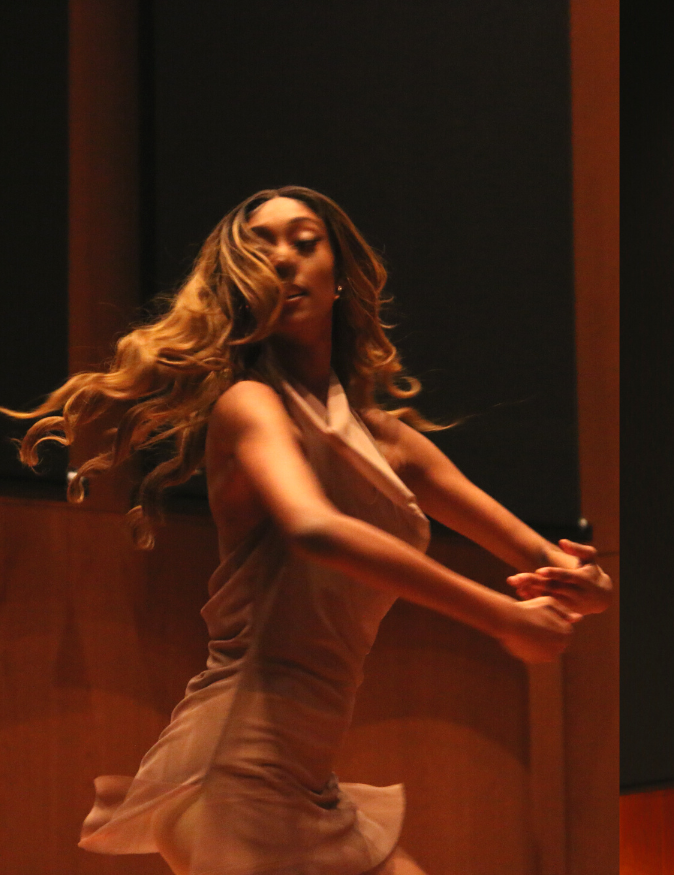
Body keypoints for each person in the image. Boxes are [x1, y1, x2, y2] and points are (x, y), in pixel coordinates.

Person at [4, 186, 612, 875]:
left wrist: (584, 583)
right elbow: (315, 528)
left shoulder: (393, 444)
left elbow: (541, 554)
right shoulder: (250, 405)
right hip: (234, 769)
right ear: (239, 285)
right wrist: (500, 614)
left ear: (340, 273)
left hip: (307, 784)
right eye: (262, 249)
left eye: (304, 240)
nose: (285, 260)